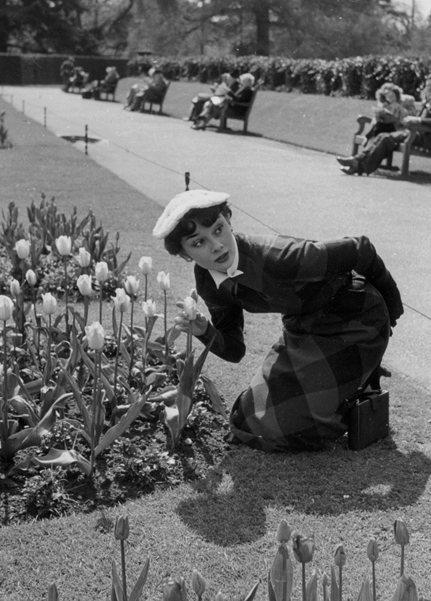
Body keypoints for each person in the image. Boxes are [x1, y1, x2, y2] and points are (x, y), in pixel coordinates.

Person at [153, 189, 403, 452]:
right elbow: (235, 350)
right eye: (198, 242)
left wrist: (392, 313)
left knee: (290, 428)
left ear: (228, 219)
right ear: (184, 254)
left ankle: (355, 394)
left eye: (218, 229)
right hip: (304, 326)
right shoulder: (208, 283)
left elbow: (359, 249)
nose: (216, 245)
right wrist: (205, 331)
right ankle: (339, 385)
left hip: (357, 319)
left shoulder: (279, 257)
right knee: (246, 420)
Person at [336, 73, 431, 176]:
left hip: (429, 140)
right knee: (383, 136)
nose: (430, 88)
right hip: (417, 134)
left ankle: (360, 167)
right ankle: (357, 160)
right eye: (428, 85)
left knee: (387, 139)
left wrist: (417, 120)